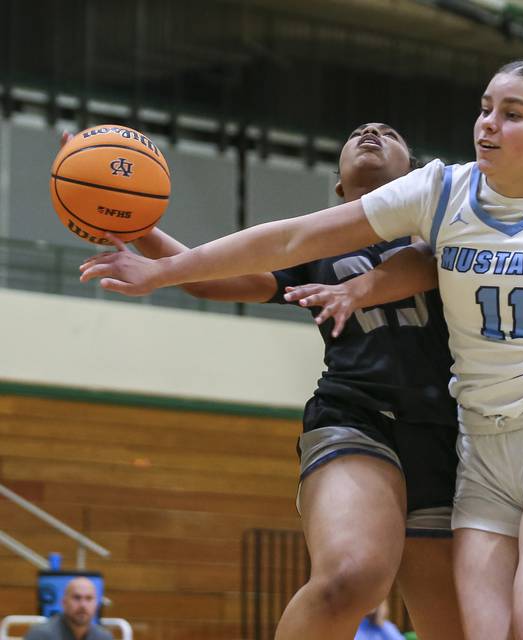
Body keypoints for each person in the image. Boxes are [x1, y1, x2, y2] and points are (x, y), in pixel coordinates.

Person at [79, 57, 523, 639]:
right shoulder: (432, 199)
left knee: (517, 627)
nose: (488, 124)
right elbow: (277, 245)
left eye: (511, 113)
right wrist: (155, 257)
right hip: (425, 430)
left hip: (512, 424)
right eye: (484, 109)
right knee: (372, 585)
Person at [78, 123, 463, 640]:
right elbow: (211, 280)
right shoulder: (318, 242)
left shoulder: (448, 227)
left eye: (389, 133)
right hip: (356, 414)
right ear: (338, 187)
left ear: (416, 174)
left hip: (448, 434)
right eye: (356, 133)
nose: (371, 132)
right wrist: (132, 218)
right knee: (350, 578)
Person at [24, 577, 112, 640]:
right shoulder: (40, 635)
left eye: (89, 598)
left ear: (96, 604)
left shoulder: (104, 637)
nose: (83, 605)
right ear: (64, 602)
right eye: (77, 598)